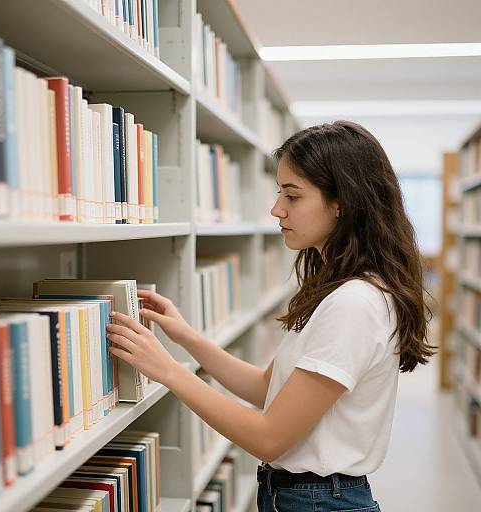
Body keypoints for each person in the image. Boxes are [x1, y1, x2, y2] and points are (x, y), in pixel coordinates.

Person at [105, 120, 435, 512]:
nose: (277, 209)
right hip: (305, 497)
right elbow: (268, 388)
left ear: (341, 203)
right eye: (280, 193)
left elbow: (269, 437)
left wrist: (169, 372)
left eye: (292, 196)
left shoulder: (354, 304)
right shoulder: (341, 290)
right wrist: (186, 338)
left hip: (317, 502)